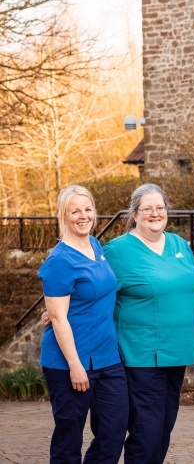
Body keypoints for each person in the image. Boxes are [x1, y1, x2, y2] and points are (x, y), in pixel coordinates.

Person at [103, 183, 194, 464]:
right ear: (134, 214)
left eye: (160, 207)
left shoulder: (179, 244)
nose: (155, 213)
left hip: (177, 351)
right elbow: (94, 288)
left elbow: (192, 293)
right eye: (147, 208)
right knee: (146, 430)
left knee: (163, 427)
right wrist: (59, 308)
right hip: (142, 354)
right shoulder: (118, 251)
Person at [39, 185, 128, 464]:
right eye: (75, 211)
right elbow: (58, 317)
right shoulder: (59, 261)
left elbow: (87, 298)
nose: (83, 216)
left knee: (113, 431)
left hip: (107, 357)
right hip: (69, 362)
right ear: (63, 216)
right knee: (69, 438)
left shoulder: (95, 245)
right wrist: (76, 366)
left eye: (87, 209)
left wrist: (53, 311)